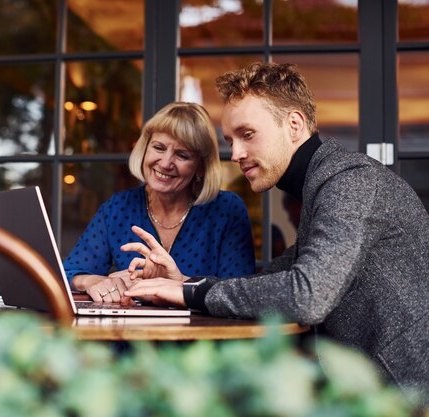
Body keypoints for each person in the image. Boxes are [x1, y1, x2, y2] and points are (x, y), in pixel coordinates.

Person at [122, 62, 429, 404]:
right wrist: (184, 282)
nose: (235, 153)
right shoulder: (322, 186)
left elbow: (306, 295)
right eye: (230, 140)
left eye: (247, 134)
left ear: (294, 125)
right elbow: (278, 274)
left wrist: (191, 293)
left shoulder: (350, 181)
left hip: (409, 397)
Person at [64, 101, 255, 303]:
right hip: (129, 333)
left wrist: (172, 285)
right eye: (159, 148)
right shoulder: (118, 207)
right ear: (145, 149)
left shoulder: (226, 209)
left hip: (201, 332)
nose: (165, 163)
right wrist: (93, 281)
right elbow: (68, 272)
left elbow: (240, 293)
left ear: (201, 167)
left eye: (182, 155)